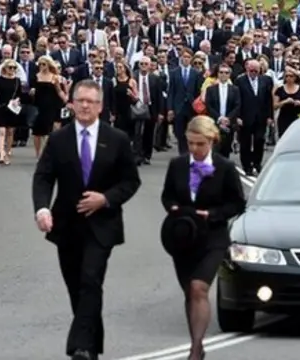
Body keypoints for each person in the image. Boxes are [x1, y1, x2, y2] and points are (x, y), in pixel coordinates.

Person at [32, 79, 141, 360]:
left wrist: (105, 199)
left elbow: (131, 181)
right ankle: (91, 347)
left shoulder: (116, 139)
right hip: (66, 225)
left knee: (90, 280)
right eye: (79, 100)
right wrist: (42, 209)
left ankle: (79, 346)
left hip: (102, 225)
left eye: (90, 101)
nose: (84, 105)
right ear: (71, 103)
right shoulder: (59, 139)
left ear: (100, 107)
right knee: (76, 286)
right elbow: (43, 177)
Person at [160, 115, 245, 360]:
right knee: (190, 292)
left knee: (199, 288)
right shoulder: (177, 165)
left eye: (200, 144)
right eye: (191, 143)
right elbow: (167, 196)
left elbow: (237, 204)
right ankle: (196, 342)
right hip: (184, 237)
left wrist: (212, 214)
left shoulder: (225, 167)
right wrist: (173, 208)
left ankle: (196, 348)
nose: (195, 149)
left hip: (213, 238)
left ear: (212, 141)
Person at [0, 59, 22, 165]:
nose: (12, 69)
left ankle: (7, 152)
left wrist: (18, 100)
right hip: (1, 108)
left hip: (12, 108)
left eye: (14, 68)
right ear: (5, 68)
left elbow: (20, 95)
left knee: (10, 131)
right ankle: (2, 153)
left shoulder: (17, 81)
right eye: (10, 67)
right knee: (2, 131)